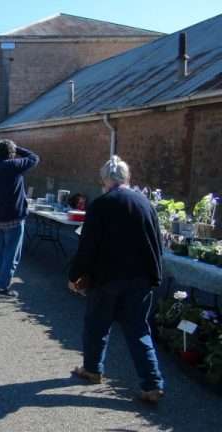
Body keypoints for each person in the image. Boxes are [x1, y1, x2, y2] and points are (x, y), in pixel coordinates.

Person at [68, 155, 164, 403]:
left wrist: (75, 275)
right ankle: (152, 384)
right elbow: (157, 243)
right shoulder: (145, 203)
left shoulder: (101, 204)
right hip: (140, 277)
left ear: (104, 180)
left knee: (97, 325)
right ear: (127, 178)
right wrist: (155, 275)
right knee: (138, 329)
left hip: (107, 277)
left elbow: (87, 246)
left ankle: (92, 369)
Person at [0, 139, 39, 298]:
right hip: (14, 217)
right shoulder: (14, 166)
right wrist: (16, 148)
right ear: (11, 153)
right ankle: (2, 287)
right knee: (11, 255)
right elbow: (34, 157)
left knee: (0, 253)